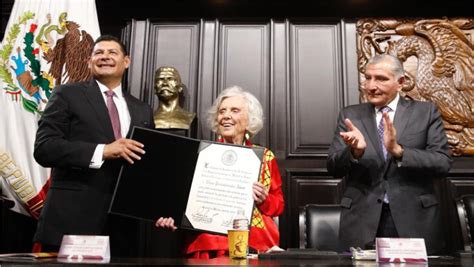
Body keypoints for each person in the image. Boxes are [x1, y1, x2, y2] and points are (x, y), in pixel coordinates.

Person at [32, 35, 155, 254]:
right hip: (72, 221)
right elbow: (44, 148)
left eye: (112, 52)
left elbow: (148, 165)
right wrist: (103, 151)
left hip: (124, 228)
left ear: (126, 61)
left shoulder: (142, 109)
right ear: (89, 62)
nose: (105, 57)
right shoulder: (66, 94)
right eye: (99, 53)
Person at [327, 54, 452, 254]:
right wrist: (354, 152)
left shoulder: (426, 112)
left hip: (414, 219)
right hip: (362, 220)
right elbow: (332, 167)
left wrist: (400, 152)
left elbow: (442, 162)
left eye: (381, 79)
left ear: (400, 82)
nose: (370, 85)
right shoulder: (350, 115)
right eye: (367, 77)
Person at [156, 86, 284, 258]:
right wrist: (173, 219)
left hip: (253, 238)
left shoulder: (265, 157)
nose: (226, 116)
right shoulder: (202, 155)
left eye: (235, 110)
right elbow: (184, 203)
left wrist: (264, 199)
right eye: (222, 111)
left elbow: (278, 206)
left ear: (249, 119)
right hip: (209, 239)